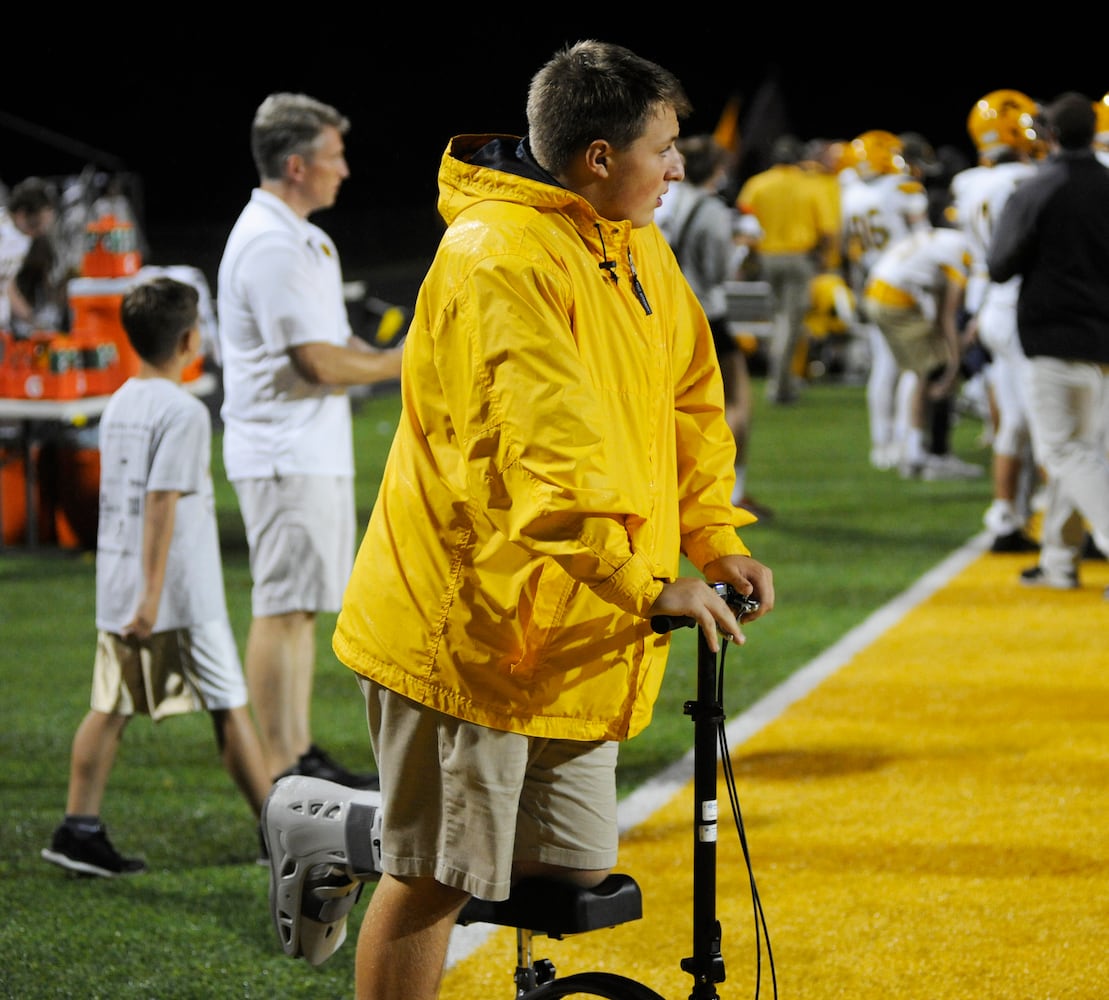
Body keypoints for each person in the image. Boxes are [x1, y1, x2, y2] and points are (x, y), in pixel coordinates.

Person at [264, 40, 775, 999]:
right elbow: (538, 463)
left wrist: (712, 538)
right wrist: (645, 581)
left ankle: (356, 827)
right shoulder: (495, 254)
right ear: (595, 157)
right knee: (438, 878)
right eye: (663, 147)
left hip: (569, 619)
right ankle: (339, 835)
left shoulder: (631, 243)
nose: (677, 167)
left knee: (571, 873)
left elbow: (689, 406)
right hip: (469, 625)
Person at [41, 277, 271, 878]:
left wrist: (133, 594)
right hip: (177, 595)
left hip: (125, 587)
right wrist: (150, 598)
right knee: (228, 704)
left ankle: (77, 828)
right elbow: (161, 503)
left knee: (111, 705)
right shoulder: (184, 410)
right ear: (191, 339)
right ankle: (279, 835)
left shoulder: (120, 401)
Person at [216, 92, 405, 787]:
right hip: (282, 451)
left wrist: (374, 351)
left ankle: (298, 754)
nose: (344, 170)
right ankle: (283, 762)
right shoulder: (271, 242)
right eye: (334, 156)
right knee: (282, 605)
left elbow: (331, 344)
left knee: (297, 609)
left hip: (302, 448)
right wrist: (407, 361)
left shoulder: (297, 235)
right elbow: (317, 362)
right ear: (296, 165)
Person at [988, 91, 1109, 595]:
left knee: (1063, 451)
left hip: (1054, 335)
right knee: (1077, 448)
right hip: (1103, 339)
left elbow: (999, 265)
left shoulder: (1040, 186)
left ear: (1051, 135)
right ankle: (1059, 560)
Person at [659, 133, 772, 520]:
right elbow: (721, 272)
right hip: (707, 313)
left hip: (667, 312)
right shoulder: (709, 209)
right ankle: (731, 492)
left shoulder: (664, 199)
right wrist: (742, 246)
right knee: (736, 404)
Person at [950, 89, 1044, 553]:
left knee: (1014, 419)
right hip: (1023, 305)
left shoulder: (968, 183)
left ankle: (1005, 516)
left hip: (989, 303)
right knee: (1050, 422)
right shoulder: (1030, 179)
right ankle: (1080, 526)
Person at [839, 130, 932, 470]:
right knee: (913, 367)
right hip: (906, 284)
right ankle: (907, 441)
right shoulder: (903, 190)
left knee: (883, 367)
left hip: (872, 281)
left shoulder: (849, 193)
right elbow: (924, 239)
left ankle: (881, 444)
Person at [863, 224, 983, 481]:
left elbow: (941, 316)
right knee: (934, 370)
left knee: (924, 369)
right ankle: (932, 455)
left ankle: (916, 449)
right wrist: (953, 365)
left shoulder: (947, 241)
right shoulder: (964, 256)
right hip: (894, 300)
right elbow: (949, 318)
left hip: (878, 291)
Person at [737, 133, 838, 404]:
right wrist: (823, 257)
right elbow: (827, 229)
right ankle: (779, 386)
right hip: (798, 259)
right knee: (789, 324)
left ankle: (782, 381)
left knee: (777, 321)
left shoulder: (757, 184)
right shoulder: (810, 185)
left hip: (766, 259)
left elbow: (743, 222)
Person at [0, 176, 58, 334]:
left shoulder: (24, 238)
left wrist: (32, 319)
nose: (39, 232)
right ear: (21, 214)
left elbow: (6, 285)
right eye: (36, 224)